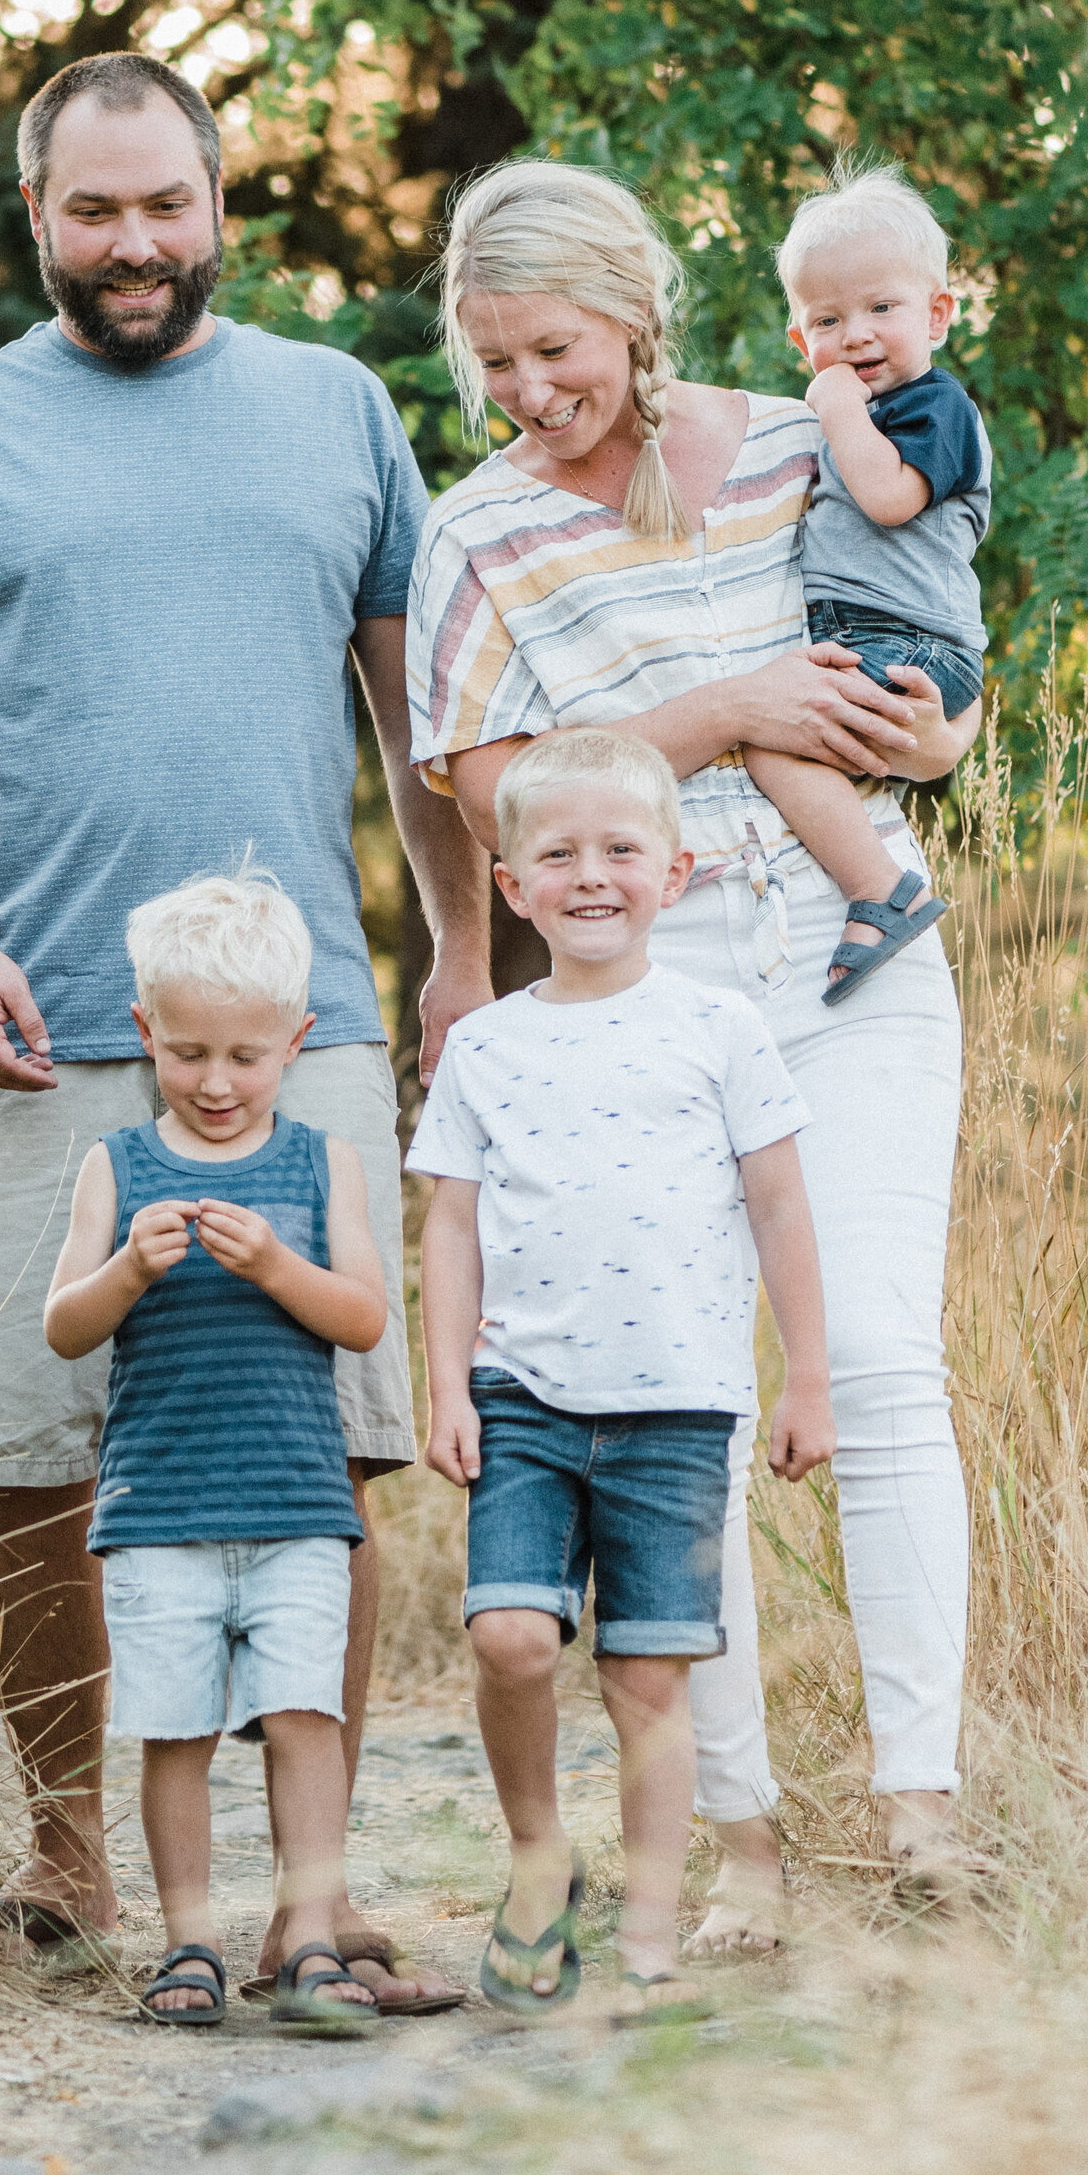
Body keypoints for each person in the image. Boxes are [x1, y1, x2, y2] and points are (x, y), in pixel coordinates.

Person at [0, 49, 492, 1995]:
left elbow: (416, 721)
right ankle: (65, 1865)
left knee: (324, 1461)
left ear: (218, 206)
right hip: (44, 1033)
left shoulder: (331, 409)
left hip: (306, 1033)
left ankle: (314, 1895)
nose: (132, 244)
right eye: (91, 211)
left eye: (164, 206)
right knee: (27, 1457)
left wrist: (455, 952)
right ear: (32, 218)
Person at [407, 155, 984, 1929]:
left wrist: (939, 738)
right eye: (495, 363)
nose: (530, 393)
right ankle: (738, 1833)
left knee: (880, 1365)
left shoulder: (812, 433)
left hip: (853, 962)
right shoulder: (476, 535)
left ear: (639, 314)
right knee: (686, 1399)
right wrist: (720, 712)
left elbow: (937, 639)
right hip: (635, 1003)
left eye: (556, 349)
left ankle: (925, 1808)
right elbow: (499, 796)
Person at [412, 730, 835, 2022]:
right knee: (511, 1634)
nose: (591, 875)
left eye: (619, 850)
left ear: (675, 868)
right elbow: (448, 1224)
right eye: (558, 853)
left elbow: (779, 1206)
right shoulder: (486, 1047)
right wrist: (445, 1387)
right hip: (524, 1402)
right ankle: (541, 1855)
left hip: (678, 1406)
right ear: (511, 883)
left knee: (652, 1676)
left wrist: (806, 1375)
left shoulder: (720, 1028)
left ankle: (650, 1922)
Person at [44, 869, 389, 2037]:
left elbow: (362, 1317)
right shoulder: (116, 1166)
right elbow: (63, 1326)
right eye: (187, 1053)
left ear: (295, 1041)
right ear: (145, 1034)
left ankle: (302, 1932)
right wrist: (128, 1269)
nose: (217, 1082)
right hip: (156, 1512)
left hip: (296, 1506)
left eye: (247, 1055)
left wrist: (277, 1268)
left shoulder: (319, 1162)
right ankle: (185, 1935)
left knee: (304, 1716)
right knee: (175, 1729)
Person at [742, 166, 994, 1004]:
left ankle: (883, 891)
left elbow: (889, 500)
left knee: (775, 735)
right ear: (798, 340)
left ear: (937, 314)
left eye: (881, 309)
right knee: (779, 731)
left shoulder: (934, 407)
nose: (856, 336)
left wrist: (838, 409)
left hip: (914, 641)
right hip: (868, 633)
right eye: (828, 319)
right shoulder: (858, 417)